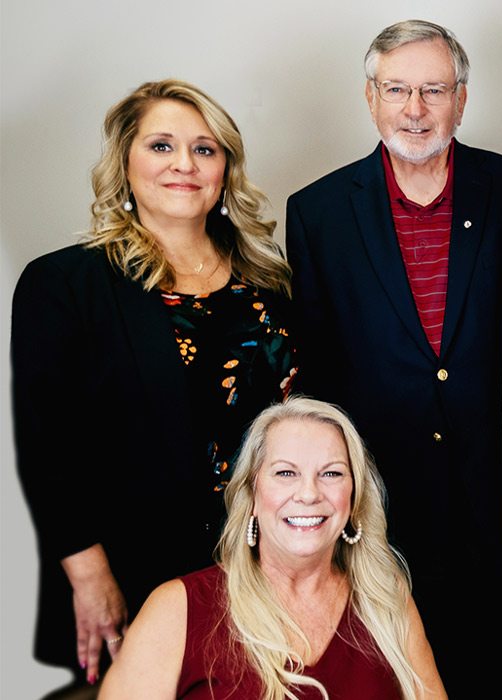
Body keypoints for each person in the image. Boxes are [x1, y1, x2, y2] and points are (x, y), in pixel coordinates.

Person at [285, 20, 502, 696]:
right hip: (383, 507)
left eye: (435, 90)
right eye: (397, 89)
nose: (415, 109)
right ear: (370, 96)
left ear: (462, 99)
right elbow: (320, 371)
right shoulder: (317, 212)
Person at [12, 79, 296, 694]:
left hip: (259, 563)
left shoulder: (271, 283)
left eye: (204, 149)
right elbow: (46, 444)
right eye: (161, 145)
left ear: (225, 167)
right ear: (126, 163)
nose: (184, 165)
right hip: (132, 565)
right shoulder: (65, 284)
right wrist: (89, 577)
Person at [98, 397, 445, 699]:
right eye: (285, 473)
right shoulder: (177, 609)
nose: (309, 494)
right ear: (251, 494)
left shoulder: (385, 597)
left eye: (331, 474)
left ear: (353, 498)